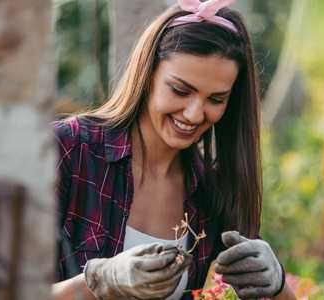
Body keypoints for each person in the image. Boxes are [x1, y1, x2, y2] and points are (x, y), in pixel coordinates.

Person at [51, 0, 295, 299]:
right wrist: (100, 281)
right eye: (180, 90)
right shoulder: (68, 150)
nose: (194, 114)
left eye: (216, 100)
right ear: (148, 73)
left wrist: (278, 282)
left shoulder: (211, 189)